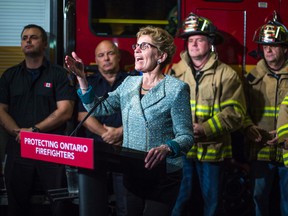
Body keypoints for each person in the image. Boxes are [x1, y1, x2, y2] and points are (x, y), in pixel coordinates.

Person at [65, 25, 194, 216]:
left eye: (144, 46)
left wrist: (167, 147)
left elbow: (186, 136)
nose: (137, 50)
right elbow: (100, 107)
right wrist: (82, 78)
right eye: (136, 46)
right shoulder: (129, 83)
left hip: (162, 177)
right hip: (132, 174)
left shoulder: (176, 89)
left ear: (161, 56)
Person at [169, 13, 246, 216]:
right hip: (183, 150)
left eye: (199, 39)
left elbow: (235, 113)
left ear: (210, 43)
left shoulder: (226, 75)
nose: (194, 44)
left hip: (213, 151)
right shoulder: (176, 72)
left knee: (211, 204)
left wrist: (205, 128)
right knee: (178, 200)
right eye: (190, 40)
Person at [0, 24, 77, 216]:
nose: (28, 40)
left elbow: (65, 111)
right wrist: (19, 134)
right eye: (24, 37)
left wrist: (33, 131)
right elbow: (1, 110)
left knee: (60, 205)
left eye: (33, 37)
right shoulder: (9, 76)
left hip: (51, 148)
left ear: (44, 44)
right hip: (18, 147)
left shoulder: (59, 74)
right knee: (16, 205)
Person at [76, 40, 129, 216]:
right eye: (101, 55)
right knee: (93, 205)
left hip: (124, 150)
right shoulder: (88, 84)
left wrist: (119, 132)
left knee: (125, 205)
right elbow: (83, 115)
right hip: (94, 152)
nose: (106, 58)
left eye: (110, 53)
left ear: (119, 56)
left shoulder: (133, 82)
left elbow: (140, 114)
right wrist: (107, 134)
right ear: (95, 60)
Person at [243, 18, 288, 216]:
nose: (268, 50)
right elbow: (240, 110)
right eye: (265, 46)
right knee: (258, 198)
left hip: (287, 150)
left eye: (274, 45)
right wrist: (248, 128)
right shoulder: (252, 79)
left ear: (285, 49)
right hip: (262, 150)